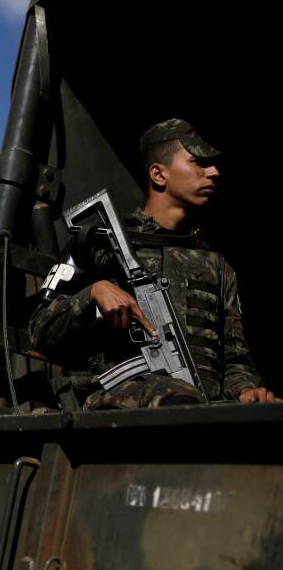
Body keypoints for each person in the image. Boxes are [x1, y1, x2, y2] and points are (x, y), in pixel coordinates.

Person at [30, 118, 279, 410]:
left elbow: (236, 359)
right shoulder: (101, 244)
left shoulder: (217, 266)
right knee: (179, 402)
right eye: (198, 163)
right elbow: (39, 330)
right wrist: (92, 295)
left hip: (203, 409)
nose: (214, 172)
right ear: (159, 175)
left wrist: (247, 391)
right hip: (123, 404)